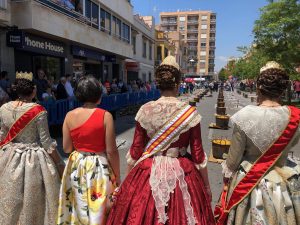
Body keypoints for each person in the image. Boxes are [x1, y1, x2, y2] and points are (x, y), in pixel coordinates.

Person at [107, 56, 214, 225]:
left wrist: (127, 184)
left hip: (148, 170)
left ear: (158, 84)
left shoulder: (145, 110)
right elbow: (199, 155)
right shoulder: (189, 113)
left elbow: (135, 152)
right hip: (182, 171)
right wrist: (206, 188)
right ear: (178, 84)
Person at [215, 62, 300, 225]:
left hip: (250, 184)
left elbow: (232, 161)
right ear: (282, 90)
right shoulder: (294, 116)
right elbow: (292, 143)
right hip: (284, 183)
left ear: (258, 87)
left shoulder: (245, 115)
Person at [0, 72, 64, 225]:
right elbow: (46, 142)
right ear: (33, 90)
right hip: (34, 159)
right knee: (35, 199)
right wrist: (60, 163)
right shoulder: (38, 110)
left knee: (10, 196)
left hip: (9, 155)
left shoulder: (4, 108)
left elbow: (2, 136)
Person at [57, 76, 120, 225]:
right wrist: (117, 176)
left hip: (77, 165)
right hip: (99, 166)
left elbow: (66, 148)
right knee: (99, 210)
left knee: (78, 206)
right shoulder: (105, 116)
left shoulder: (69, 116)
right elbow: (111, 151)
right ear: (99, 95)